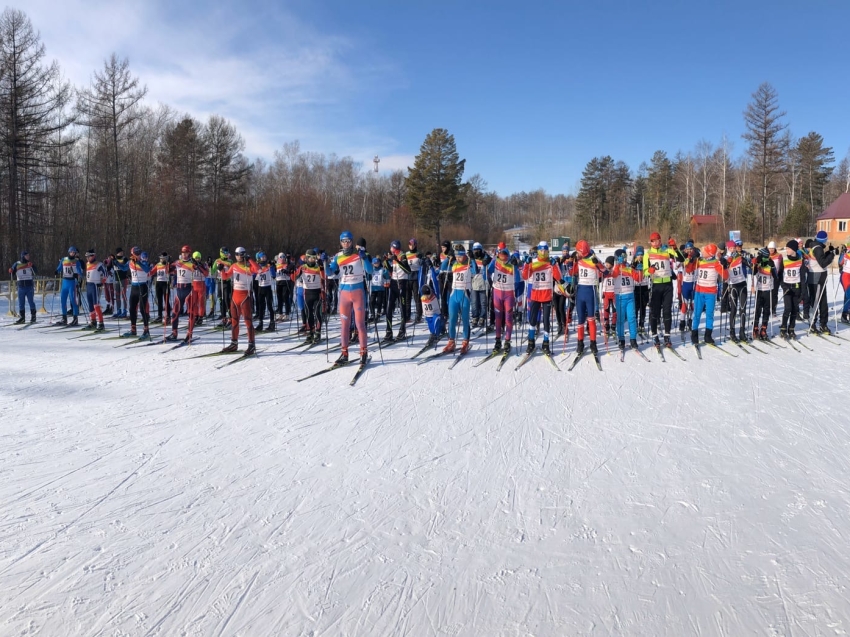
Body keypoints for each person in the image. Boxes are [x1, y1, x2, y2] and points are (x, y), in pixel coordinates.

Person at [326, 230, 372, 365]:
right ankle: (344, 353)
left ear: (352, 241)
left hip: (358, 291)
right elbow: (330, 272)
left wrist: (364, 258)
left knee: (359, 324)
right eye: (343, 241)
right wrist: (323, 263)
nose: (346, 244)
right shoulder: (338, 256)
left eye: (348, 241)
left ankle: (363, 352)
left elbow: (370, 271)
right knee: (344, 325)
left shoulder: (359, 254)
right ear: (340, 242)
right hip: (344, 293)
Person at [643, 233, 684, 347]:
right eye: (653, 241)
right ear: (650, 242)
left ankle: (667, 336)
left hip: (667, 285)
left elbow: (682, 259)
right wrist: (649, 271)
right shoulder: (648, 254)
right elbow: (645, 271)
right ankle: (655, 336)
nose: (655, 243)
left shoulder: (666, 251)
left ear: (660, 241)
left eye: (657, 240)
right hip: (656, 285)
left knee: (667, 311)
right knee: (655, 312)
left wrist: (675, 247)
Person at [440, 244, 479, 354]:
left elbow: (476, 271)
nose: (458, 258)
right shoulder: (454, 263)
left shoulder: (469, 263)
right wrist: (449, 257)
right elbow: (442, 267)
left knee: (465, 319)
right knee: (452, 319)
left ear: (464, 256)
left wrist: (473, 259)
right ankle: (451, 341)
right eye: (456, 256)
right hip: (454, 294)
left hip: (464, 295)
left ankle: (465, 341)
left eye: (460, 256)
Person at [219, 247, 258, 353]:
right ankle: (234, 343)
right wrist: (221, 270)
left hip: (245, 296)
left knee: (248, 321)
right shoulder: (234, 266)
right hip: (235, 296)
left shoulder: (248, 267)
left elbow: (257, 270)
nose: (238, 256)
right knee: (234, 321)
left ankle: (251, 344)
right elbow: (225, 277)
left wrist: (250, 259)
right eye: (236, 254)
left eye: (240, 254)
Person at [569, 240, 605, 356]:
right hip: (580, 291)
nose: (578, 253)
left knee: (591, 318)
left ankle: (593, 343)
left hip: (591, 291)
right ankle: (580, 343)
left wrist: (598, 264)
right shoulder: (578, 259)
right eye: (577, 251)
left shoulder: (594, 258)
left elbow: (605, 271)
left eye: (579, 252)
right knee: (580, 319)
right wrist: (573, 261)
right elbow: (572, 272)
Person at [690, 244, 727, 345]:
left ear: (709, 253)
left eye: (705, 251)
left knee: (709, 315)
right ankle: (694, 335)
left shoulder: (716, 263)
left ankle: (708, 336)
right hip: (699, 291)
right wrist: (691, 260)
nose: (703, 252)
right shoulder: (700, 260)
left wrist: (724, 265)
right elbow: (689, 269)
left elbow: (726, 276)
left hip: (710, 293)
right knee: (697, 314)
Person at [487, 246, 520, 354]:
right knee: (498, 318)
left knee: (508, 318)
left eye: (505, 257)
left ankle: (507, 341)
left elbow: (518, 279)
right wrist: (485, 264)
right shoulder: (495, 262)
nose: (503, 259)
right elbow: (487, 273)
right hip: (497, 293)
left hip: (508, 294)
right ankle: (497, 341)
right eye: (501, 256)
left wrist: (516, 266)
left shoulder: (511, 264)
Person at [167, 245, 198, 342]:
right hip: (179, 290)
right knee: (175, 312)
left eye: (186, 253)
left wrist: (196, 264)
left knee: (191, 313)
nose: (184, 255)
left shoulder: (191, 263)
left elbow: (197, 270)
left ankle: (189, 334)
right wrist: (168, 263)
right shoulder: (177, 262)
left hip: (188, 289)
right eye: (183, 253)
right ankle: (174, 333)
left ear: (189, 253)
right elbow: (168, 271)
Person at [806, 230, 836, 334]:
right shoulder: (818, 248)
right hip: (816, 277)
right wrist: (832, 255)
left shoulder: (817, 246)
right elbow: (823, 263)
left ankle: (823, 324)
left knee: (823, 302)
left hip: (819, 277)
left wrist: (829, 252)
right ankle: (813, 323)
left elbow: (820, 259)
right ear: (824, 239)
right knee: (816, 302)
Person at [722, 240, 751, 342]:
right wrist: (726, 263)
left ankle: (742, 332)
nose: (733, 249)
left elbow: (749, 264)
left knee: (743, 309)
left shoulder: (739, 256)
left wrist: (753, 263)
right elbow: (722, 270)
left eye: (734, 247)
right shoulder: (725, 258)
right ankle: (732, 332)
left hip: (742, 284)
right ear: (727, 248)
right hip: (733, 285)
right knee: (733, 309)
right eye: (731, 248)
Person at [611, 248, 639, 350]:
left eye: (625, 257)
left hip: (630, 296)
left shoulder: (629, 268)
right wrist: (618, 265)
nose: (624, 259)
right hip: (620, 296)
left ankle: (633, 339)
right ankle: (621, 339)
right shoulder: (616, 268)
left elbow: (638, 278)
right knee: (621, 319)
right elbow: (613, 274)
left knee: (632, 318)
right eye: (622, 257)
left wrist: (641, 271)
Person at [385, 240, 412, 342]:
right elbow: (392, 270)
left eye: (391, 247)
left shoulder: (402, 255)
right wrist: (385, 262)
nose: (390, 249)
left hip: (401, 283)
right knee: (389, 307)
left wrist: (397, 260)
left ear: (394, 247)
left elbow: (408, 270)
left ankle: (402, 331)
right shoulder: (393, 256)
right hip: (393, 283)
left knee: (402, 307)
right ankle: (388, 332)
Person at [296, 249, 325, 343]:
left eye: (314, 258)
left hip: (317, 293)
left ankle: (318, 332)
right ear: (306, 258)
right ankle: (310, 332)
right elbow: (295, 276)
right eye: (310, 258)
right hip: (307, 293)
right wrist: (293, 269)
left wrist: (322, 267)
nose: (312, 260)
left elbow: (324, 277)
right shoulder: (303, 267)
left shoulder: (318, 267)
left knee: (317, 313)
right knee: (309, 314)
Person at [751, 247, 777, 340]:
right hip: (759, 289)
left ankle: (764, 328)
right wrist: (754, 264)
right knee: (757, 310)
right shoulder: (758, 262)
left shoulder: (771, 262)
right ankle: (755, 328)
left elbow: (776, 276)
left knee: (766, 310)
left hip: (768, 290)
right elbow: (752, 273)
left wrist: (772, 268)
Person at [779, 240, 803, 339]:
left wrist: (802, 290)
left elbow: (802, 276)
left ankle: (791, 329)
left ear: (793, 249)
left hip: (796, 287)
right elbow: (779, 274)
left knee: (795, 309)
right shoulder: (784, 259)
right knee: (788, 308)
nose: (787, 250)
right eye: (786, 248)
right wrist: (783, 286)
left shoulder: (800, 259)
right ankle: (783, 328)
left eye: (788, 248)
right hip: (787, 287)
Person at [126, 247, 152, 338]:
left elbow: (147, 269)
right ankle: (133, 330)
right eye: (137, 253)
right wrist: (116, 263)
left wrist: (139, 262)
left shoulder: (143, 262)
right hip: (134, 287)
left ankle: (146, 330)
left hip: (142, 287)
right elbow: (124, 268)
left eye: (139, 253)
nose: (139, 255)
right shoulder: (131, 262)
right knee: (132, 309)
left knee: (142, 309)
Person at [55, 246, 83, 325]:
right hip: (64, 282)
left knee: (73, 301)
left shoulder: (77, 261)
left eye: (74, 252)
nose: (73, 254)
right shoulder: (64, 260)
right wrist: (56, 271)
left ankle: (75, 318)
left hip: (72, 283)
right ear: (69, 252)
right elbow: (60, 267)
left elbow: (80, 273)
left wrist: (76, 275)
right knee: (63, 300)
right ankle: (64, 318)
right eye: (71, 252)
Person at [10, 251, 37, 324]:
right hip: (21, 286)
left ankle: (33, 317)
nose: (28, 257)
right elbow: (12, 271)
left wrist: (33, 266)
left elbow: (36, 271)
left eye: (29, 255)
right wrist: (11, 270)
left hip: (29, 286)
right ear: (23, 256)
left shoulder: (29, 263)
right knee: (21, 303)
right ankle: (22, 318)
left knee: (31, 302)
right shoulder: (17, 264)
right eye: (27, 256)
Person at [83, 249, 106, 331]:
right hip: (89, 285)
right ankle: (93, 321)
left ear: (93, 256)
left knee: (96, 304)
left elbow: (105, 273)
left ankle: (101, 323)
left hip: (95, 285)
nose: (87, 258)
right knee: (90, 305)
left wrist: (102, 282)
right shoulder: (87, 264)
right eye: (86, 257)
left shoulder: (99, 264)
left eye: (89, 257)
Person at [470, 242, 492, 328]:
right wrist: (471, 259)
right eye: (475, 250)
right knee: (474, 302)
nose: (476, 252)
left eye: (478, 250)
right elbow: (473, 270)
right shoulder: (472, 259)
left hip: (484, 282)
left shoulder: (486, 257)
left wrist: (488, 261)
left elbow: (491, 266)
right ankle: (475, 317)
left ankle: (482, 317)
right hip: (474, 282)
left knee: (483, 302)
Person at [677, 242, 698, 332]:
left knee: (693, 305)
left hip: (693, 283)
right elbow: (680, 265)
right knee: (685, 305)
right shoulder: (684, 258)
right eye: (688, 249)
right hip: (685, 284)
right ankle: (682, 322)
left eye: (691, 249)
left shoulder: (696, 258)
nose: (689, 251)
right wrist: (687, 258)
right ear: (685, 250)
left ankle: (690, 321)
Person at [253, 251, 276, 332]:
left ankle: (272, 323)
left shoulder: (268, 266)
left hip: (268, 288)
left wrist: (272, 266)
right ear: (259, 258)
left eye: (265, 257)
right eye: (262, 257)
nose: (264, 258)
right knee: (261, 306)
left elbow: (273, 275)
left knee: (270, 306)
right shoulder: (258, 266)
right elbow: (253, 274)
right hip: (260, 288)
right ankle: (260, 323)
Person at [150, 252, 173, 324]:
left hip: (165, 283)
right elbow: (152, 272)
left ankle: (168, 316)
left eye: (162, 258)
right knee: (159, 301)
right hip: (158, 283)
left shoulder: (168, 264)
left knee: (166, 301)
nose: (161, 259)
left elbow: (169, 271)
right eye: (160, 258)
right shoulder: (158, 264)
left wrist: (168, 263)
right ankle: (159, 316)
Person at [213, 247, 233, 325]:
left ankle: (231, 318)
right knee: (221, 300)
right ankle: (223, 317)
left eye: (227, 252)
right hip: (219, 282)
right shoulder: (217, 261)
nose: (226, 254)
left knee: (227, 300)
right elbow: (212, 271)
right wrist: (210, 265)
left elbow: (231, 269)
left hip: (227, 282)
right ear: (221, 253)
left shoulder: (230, 261)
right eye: (225, 253)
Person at [406, 238, 424, 322]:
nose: (411, 246)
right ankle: (407, 315)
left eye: (413, 245)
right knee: (407, 297)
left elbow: (422, 264)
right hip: (408, 275)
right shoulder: (406, 254)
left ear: (415, 245)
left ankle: (419, 314)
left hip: (416, 276)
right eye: (410, 244)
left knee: (417, 296)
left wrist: (421, 259)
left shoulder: (419, 253)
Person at [633, 245, 649, 336]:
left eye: (641, 255)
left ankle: (641, 324)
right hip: (636, 287)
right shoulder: (633, 263)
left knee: (643, 307)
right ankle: (635, 324)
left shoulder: (646, 262)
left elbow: (649, 272)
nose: (640, 257)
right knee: (636, 307)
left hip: (644, 287)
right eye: (638, 255)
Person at [191, 251, 209, 326]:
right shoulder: (191, 264)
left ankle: (201, 317)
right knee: (194, 302)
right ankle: (196, 316)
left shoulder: (203, 264)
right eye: (196, 258)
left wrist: (199, 267)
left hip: (201, 284)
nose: (197, 259)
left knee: (201, 302)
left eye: (198, 258)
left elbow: (206, 274)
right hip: (194, 284)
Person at [601, 255, 617, 336]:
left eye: (608, 263)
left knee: (615, 311)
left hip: (614, 293)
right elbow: (600, 277)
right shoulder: (604, 271)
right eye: (606, 263)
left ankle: (613, 326)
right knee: (606, 310)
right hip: (606, 293)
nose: (606, 265)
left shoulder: (615, 270)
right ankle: (606, 326)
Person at [112, 248, 130, 318]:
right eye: (120, 252)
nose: (121, 253)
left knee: (123, 295)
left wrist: (117, 263)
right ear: (117, 253)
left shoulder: (124, 259)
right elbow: (109, 266)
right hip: (116, 279)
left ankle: (124, 310)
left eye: (122, 252)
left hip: (123, 278)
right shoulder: (114, 259)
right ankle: (118, 310)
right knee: (117, 295)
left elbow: (125, 267)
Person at [839, 243, 850, 324]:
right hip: (846, 275)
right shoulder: (847, 252)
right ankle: (844, 314)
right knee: (848, 295)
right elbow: (840, 262)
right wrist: (842, 254)